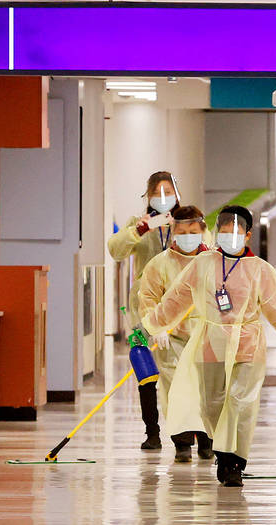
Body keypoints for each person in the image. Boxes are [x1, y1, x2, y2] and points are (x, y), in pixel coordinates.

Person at [141, 205, 276, 487]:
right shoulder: (202, 264)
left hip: (247, 344)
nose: (231, 235)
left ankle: (233, 461)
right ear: (217, 232)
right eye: (225, 230)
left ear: (248, 235)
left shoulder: (260, 270)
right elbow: (176, 299)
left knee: (240, 403)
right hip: (210, 344)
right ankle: (223, 451)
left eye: (237, 230)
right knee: (213, 405)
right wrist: (150, 325)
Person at [108, 171, 181, 450]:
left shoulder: (187, 221)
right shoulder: (137, 224)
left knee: (179, 371)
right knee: (145, 368)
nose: (163, 199)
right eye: (157, 193)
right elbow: (116, 250)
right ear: (148, 196)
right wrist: (140, 229)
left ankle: (185, 433)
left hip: (179, 311)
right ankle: (152, 431)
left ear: (177, 194)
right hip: (142, 311)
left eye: (168, 192)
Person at [138, 205, 213, 463]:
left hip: (207, 336)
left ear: (203, 231)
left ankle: (207, 441)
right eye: (182, 231)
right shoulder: (159, 264)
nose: (188, 236)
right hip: (173, 338)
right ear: (173, 233)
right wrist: (156, 327)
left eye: (193, 231)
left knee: (207, 389)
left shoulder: (215, 263)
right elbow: (148, 297)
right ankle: (182, 443)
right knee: (176, 392)